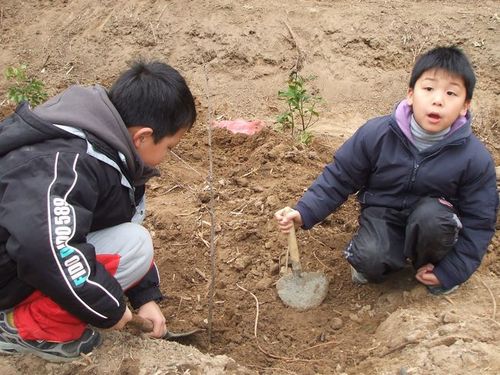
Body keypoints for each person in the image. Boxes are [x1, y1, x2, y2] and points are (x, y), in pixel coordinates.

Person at [0, 61, 196, 361]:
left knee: (132, 241)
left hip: (14, 260)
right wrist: (109, 309)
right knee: (135, 244)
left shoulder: (110, 144)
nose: (167, 157)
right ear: (142, 136)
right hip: (15, 263)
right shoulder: (68, 162)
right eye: (170, 146)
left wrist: (145, 298)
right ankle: (21, 327)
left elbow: (115, 221)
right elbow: (47, 248)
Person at [275, 46, 498, 296]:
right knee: (369, 258)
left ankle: (431, 267)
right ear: (411, 94)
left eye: (451, 93)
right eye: (429, 89)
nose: (438, 99)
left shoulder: (473, 158)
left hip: (433, 226)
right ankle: (379, 258)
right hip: (384, 214)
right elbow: (340, 177)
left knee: (432, 218)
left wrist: (450, 271)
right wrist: (304, 211)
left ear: (465, 105)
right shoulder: (376, 134)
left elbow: (480, 220)